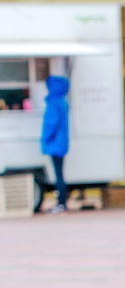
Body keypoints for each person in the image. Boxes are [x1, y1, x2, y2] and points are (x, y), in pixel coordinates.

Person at [40, 75, 70, 213]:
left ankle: (61, 204)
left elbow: (51, 123)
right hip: (61, 143)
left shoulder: (53, 102)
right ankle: (62, 203)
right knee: (60, 174)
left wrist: (45, 138)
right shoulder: (62, 101)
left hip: (55, 144)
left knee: (58, 175)